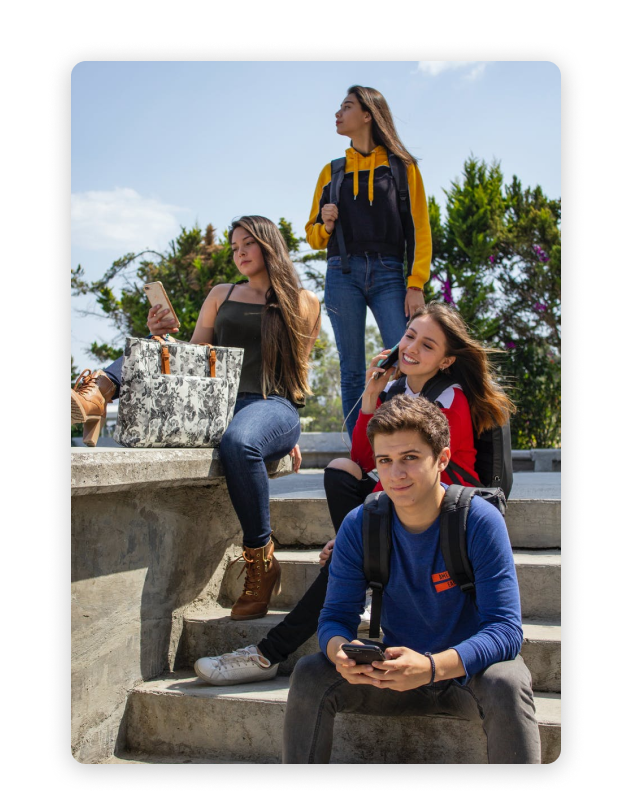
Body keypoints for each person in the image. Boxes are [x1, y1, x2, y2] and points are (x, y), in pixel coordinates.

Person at [193, 301, 514, 685]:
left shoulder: (452, 398)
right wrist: (371, 394)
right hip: (396, 500)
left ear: (446, 361)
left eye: (428, 346)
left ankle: (269, 653)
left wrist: (357, 534)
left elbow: (413, 476)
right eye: (410, 336)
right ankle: (354, 564)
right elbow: (368, 458)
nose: (412, 348)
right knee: (340, 470)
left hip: (444, 508)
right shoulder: (396, 388)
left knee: (343, 556)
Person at [71, 215, 321, 619]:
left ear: (269, 246)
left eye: (247, 244)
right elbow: (196, 358)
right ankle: (97, 392)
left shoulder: (304, 301)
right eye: (234, 247)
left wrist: (285, 434)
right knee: (153, 347)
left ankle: (261, 560)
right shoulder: (221, 293)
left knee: (240, 443)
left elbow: (300, 368)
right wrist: (163, 334)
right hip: (213, 402)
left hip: (271, 405)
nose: (238, 253)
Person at [282, 396, 540, 764]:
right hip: (393, 676)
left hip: (465, 675)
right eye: (385, 461)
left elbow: (505, 631)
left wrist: (433, 667)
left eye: (410, 458)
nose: (396, 474)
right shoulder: (361, 523)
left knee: (509, 682)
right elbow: (336, 617)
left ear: (443, 460)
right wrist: (341, 653)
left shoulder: (479, 521)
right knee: (310, 672)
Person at [304, 85, 432, 438]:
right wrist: (326, 223)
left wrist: (416, 282)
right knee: (351, 369)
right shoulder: (331, 172)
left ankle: (408, 439)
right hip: (342, 274)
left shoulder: (403, 168)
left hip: (391, 274)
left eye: (346, 106)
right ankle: (359, 449)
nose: (337, 113)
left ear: (367, 115)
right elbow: (312, 236)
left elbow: (420, 228)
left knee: (406, 359)